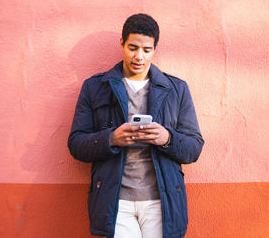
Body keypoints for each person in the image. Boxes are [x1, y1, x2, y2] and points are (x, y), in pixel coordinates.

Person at [68, 13, 204, 238]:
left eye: (147, 50)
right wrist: (111, 139)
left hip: (162, 201)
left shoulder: (176, 89)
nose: (139, 56)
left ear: (154, 49)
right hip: (115, 202)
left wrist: (167, 138)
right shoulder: (94, 87)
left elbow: (194, 147)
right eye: (132, 47)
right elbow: (76, 144)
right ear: (122, 43)